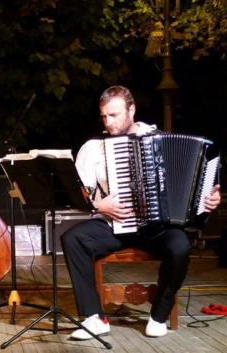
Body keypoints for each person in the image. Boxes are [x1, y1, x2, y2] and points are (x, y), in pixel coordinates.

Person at [61, 85, 221, 340]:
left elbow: (190, 183)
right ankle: (94, 318)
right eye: (104, 116)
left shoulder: (157, 139)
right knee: (73, 239)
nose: (108, 122)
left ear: (131, 109)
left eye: (114, 115)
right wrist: (98, 205)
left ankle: (159, 315)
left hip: (156, 227)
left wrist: (208, 200)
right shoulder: (93, 147)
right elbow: (78, 193)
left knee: (180, 246)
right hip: (114, 224)